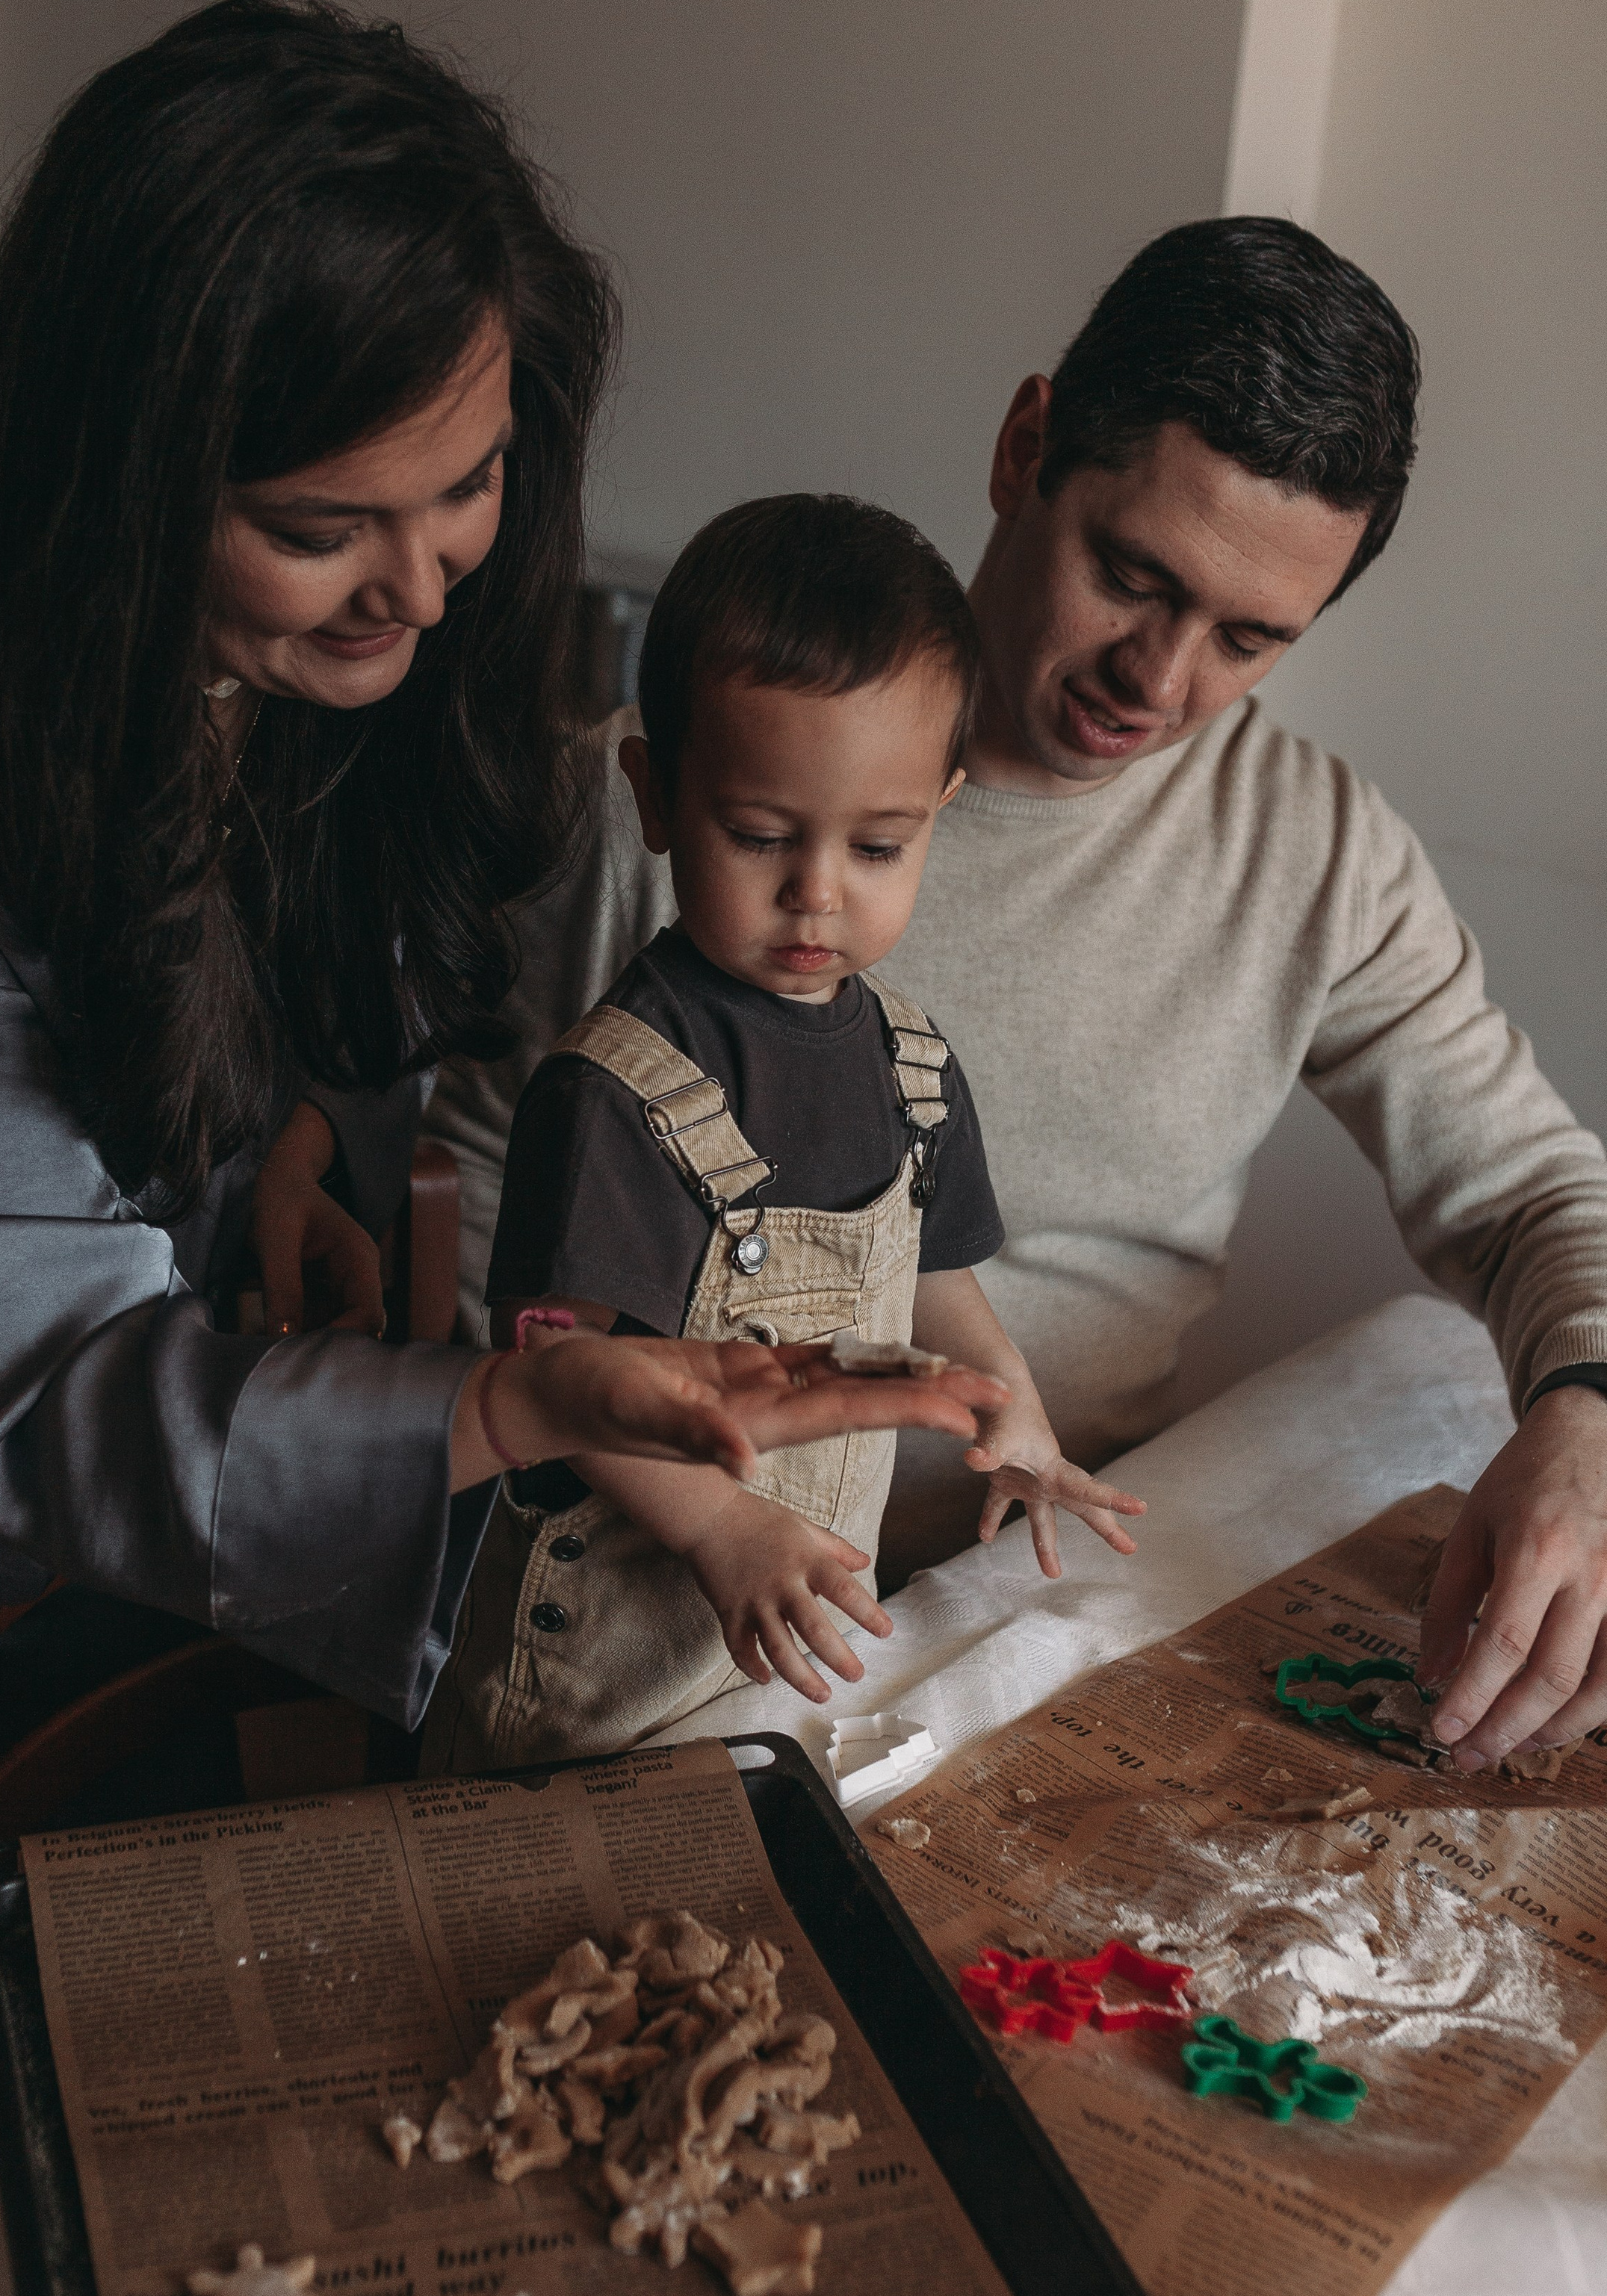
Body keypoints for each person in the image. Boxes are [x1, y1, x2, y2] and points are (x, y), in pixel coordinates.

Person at [0, 0, 998, 2296]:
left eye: (479, 482)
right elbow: (63, 1396)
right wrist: (512, 1410)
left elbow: (347, 958)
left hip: (166, 1457)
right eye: (326, 524)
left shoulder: (393, 585)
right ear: (126, 476)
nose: (424, 580)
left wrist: (318, 1130)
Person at [426, 217, 1607, 1778]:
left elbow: (1536, 1187)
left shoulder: (1315, 857)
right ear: (1024, 447)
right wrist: (675, 1520)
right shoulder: (656, 801)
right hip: (669, 1618)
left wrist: (1590, 1423)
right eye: (1130, 575)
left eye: (1248, 638)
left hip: (1033, 1608)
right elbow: (464, 1226)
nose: (1159, 677)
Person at [423, 497, 1144, 1769]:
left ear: (942, 809)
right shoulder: (613, 1095)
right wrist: (724, 1533)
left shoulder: (912, 1070)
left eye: (879, 843)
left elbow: (932, 1278)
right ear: (655, 795)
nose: (817, 891)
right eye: (759, 836)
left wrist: (1013, 1414)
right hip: (600, 1675)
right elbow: (556, 1392)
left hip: (784, 1641)